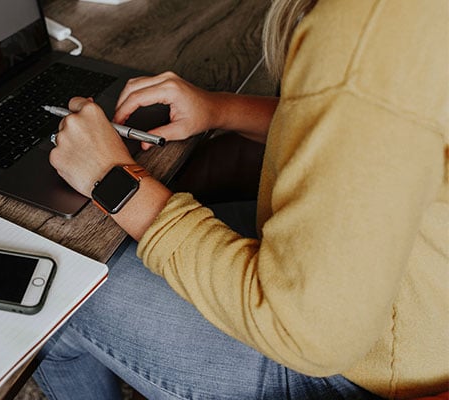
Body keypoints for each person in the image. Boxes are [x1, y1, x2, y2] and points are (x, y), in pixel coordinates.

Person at [33, 0, 448, 398]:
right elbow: (377, 131)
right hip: (416, 293)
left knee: (55, 279)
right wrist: (220, 109)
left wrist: (112, 179)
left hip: (364, 372)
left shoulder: (371, 29)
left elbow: (307, 334)